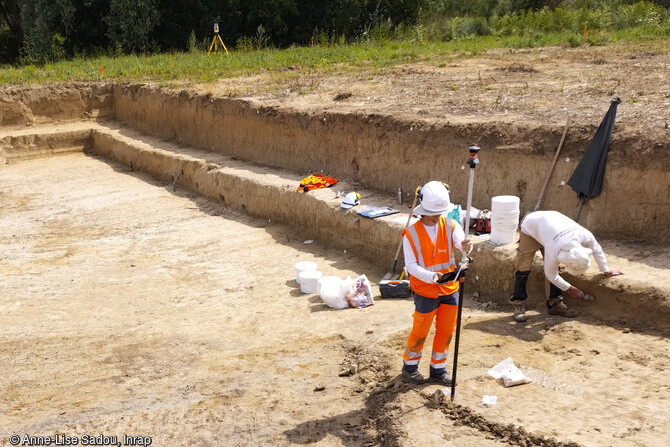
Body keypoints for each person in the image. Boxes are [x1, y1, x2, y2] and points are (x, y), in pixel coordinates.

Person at [401, 181, 471, 385]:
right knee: (421, 330)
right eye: (432, 213)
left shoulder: (450, 225)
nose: (437, 216)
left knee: (446, 330)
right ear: (423, 210)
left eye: (439, 213)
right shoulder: (411, 234)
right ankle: (410, 367)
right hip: (425, 290)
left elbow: (462, 246)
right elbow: (412, 266)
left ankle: (438, 370)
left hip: (450, 288)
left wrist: (467, 247)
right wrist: (432, 277)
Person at [510, 210, 624, 322]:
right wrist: (570, 289)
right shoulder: (554, 249)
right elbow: (551, 275)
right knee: (523, 267)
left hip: (552, 228)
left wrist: (606, 270)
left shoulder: (585, 235)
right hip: (532, 226)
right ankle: (518, 304)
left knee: (555, 268)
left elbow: (597, 249)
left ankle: (554, 304)